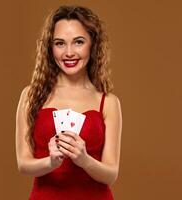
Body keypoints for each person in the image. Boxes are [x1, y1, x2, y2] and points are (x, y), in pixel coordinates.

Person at [16, 5, 122, 200]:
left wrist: (84, 160)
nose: (69, 53)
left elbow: (111, 174)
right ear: (50, 47)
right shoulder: (30, 95)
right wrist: (50, 162)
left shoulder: (108, 102)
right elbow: (23, 164)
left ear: (93, 44)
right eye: (60, 43)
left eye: (78, 42)